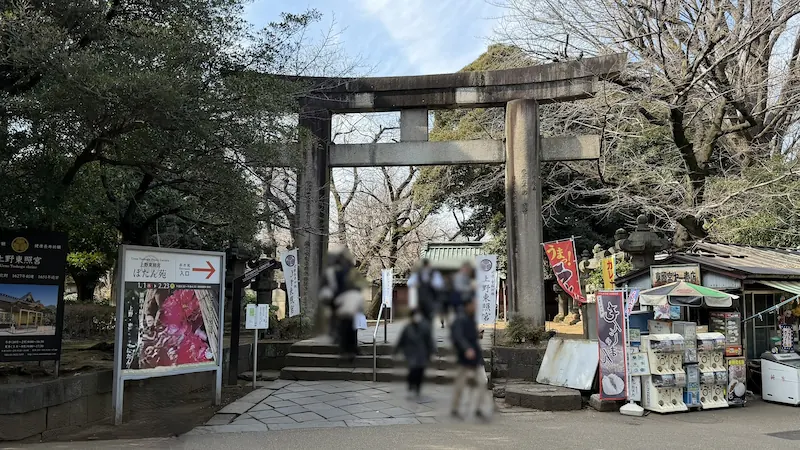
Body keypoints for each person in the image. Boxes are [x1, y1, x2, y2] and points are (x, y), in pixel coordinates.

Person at [319, 246, 366, 361]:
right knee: (344, 325)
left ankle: (350, 348)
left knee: (349, 325)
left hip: (346, 300)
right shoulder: (334, 272)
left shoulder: (347, 271)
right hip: (339, 300)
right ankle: (346, 349)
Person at [450, 297, 489, 421]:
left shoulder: (471, 318)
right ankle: (455, 408)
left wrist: (478, 334)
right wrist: (466, 348)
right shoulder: (460, 319)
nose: (475, 306)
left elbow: (470, 335)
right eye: (473, 304)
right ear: (467, 305)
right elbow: (458, 336)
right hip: (465, 357)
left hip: (476, 357)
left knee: (483, 381)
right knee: (460, 384)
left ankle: (478, 408)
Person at [394, 310, 434, 400]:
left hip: (422, 352)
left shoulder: (425, 327)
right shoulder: (407, 328)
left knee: (420, 370)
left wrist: (431, 351)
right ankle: (411, 384)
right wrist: (396, 350)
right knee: (413, 369)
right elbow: (401, 340)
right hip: (411, 353)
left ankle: (418, 387)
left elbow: (429, 340)